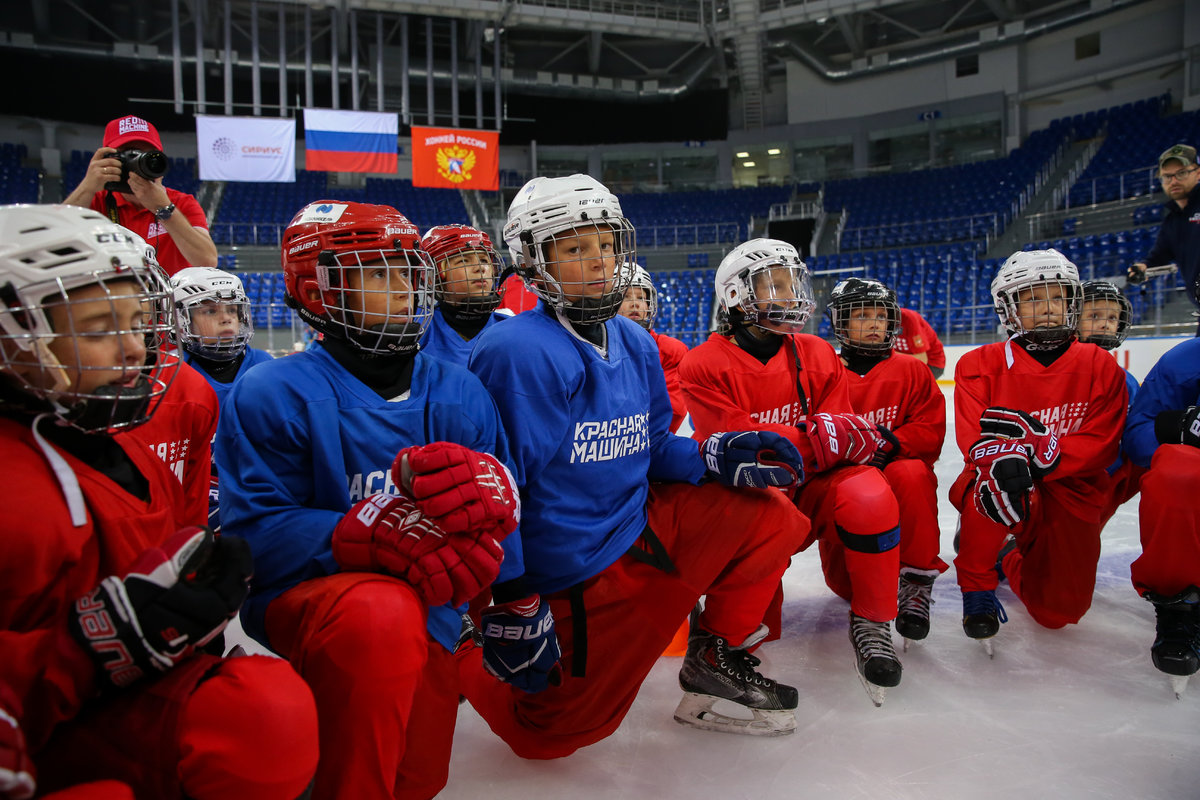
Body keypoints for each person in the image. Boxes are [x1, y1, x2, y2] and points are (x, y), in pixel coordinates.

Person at [461, 175, 810, 750]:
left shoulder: (635, 339)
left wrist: (712, 455)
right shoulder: (518, 350)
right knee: (551, 736)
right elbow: (501, 493)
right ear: (532, 259)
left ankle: (714, 655)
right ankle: (457, 645)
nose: (599, 261)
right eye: (575, 248)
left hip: (637, 528)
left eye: (606, 245)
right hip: (568, 573)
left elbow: (650, 449)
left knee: (774, 517)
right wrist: (515, 596)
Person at [0, 203, 317, 798]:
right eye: (97, 328)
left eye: (136, 322)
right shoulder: (15, 484)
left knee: (263, 711)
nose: (133, 350)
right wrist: (86, 646)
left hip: (97, 699)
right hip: (44, 716)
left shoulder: (121, 430)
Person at [216, 200, 524, 799]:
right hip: (322, 604)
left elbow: (502, 501)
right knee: (378, 616)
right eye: (379, 273)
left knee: (416, 778)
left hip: (432, 609)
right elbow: (249, 539)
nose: (405, 289)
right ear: (316, 289)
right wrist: (356, 533)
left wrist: (499, 518)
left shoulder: (459, 389)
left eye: (408, 272)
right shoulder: (272, 391)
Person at [678, 238, 905, 706]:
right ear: (738, 296)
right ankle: (714, 647)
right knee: (755, 629)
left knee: (869, 490)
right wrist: (812, 438)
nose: (790, 294)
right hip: (754, 502)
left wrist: (815, 441)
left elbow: (843, 441)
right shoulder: (703, 363)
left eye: (792, 282)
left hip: (811, 489)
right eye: (774, 285)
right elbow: (749, 455)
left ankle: (873, 620)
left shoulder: (817, 352)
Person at [951, 249, 1127, 655]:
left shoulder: (1100, 365)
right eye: (1032, 298)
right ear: (1008, 308)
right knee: (995, 478)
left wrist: (1045, 451)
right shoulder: (979, 364)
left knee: (1060, 612)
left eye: (1057, 297)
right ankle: (977, 584)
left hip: (1073, 489)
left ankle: (1008, 552)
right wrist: (1019, 457)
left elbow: (1102, 443)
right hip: (1005, 481)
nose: (1047, 308)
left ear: (1071, 302)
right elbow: (975, 443)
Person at [825, 278, 948, 643]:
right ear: (841, 323)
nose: (876, 323)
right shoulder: (824, 372)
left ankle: (916, 579)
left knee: (911, 472)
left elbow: (931, 432)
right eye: (863, 315)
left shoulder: (912, 370)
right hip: (845, 488)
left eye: (882, 315)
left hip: (896, 470)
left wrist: (892, 442)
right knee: (845, 587)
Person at [1121, 335, 1200, 692]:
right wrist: (1179, 427)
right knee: (1175, 468)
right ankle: (1180, 602)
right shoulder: (1187, 359)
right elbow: (1137, 439)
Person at [167, 266, 273, 529]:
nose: (226, 319)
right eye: (210, 311)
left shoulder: (266, 367)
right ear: (181, 320)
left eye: (232, 310)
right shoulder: (171, 376)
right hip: (198, 496)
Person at [63, 115, 217, 275]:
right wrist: (87, 186)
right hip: (116, 296)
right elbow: (53, 240)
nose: (135, 164)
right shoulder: (95, 201)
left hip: (169, 298)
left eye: (145, 156)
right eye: (127, 155)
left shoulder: (181, 203)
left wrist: (164, 209)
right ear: (107, 158)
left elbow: (207, 260)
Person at [1077, 280, 1144, 527]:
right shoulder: (1056, 373)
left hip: (1104, 480)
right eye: (1094, 315)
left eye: (1113, 318)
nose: (1106, 323)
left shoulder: (1126, 381)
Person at [1128, 144, 1200, 323]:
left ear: (1198, 173)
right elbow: (1158, 256)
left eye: (1181, 173)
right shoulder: (1172, 221)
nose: (1174, 181)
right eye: (1167, 176)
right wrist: (1142, 267)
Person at [419, 224, 508, 366]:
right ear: (433, 276)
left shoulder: (510, 328)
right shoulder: (417, 331)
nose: (480, 268)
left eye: (484, 260)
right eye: (463, 261)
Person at [618, 263, 689, 433]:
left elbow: (672, 412)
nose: (635, 304)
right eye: (626, 297)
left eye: (641, 298)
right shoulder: (591, 347)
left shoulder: (670, 350)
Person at [893, 306, 946, 378]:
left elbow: (922, 359)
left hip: (931, 363)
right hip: (910, 362)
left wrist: (891, 355)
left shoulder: (909, 318)